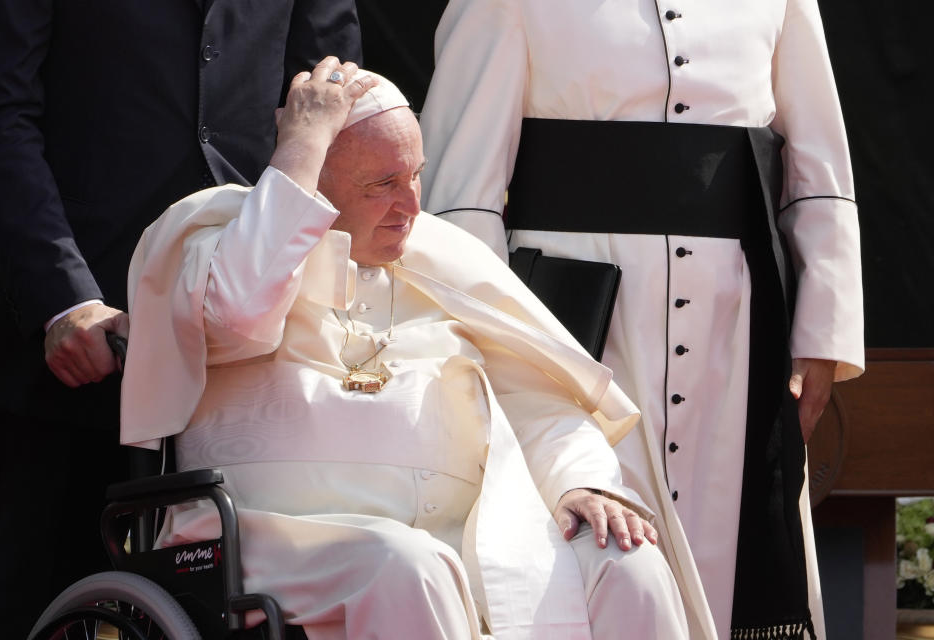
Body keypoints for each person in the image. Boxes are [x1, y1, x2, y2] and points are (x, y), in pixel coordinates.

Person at [120, 61, 693, 639]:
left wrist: (580, 483)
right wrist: (302, 143)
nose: (412, 207)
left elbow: (538, 400)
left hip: (462, 541)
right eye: (381, 185)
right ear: (312, 179)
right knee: (410, 566)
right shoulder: (221, 243)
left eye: (415, 176)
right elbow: (238, 312)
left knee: (630, 565)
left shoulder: (448, 264)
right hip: (272, 540)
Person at [417, 1, 865, 638]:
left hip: (734, 330)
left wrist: (824, 333)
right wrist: (496, 354)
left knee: (733, 561)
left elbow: (818, 165)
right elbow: (460, 190)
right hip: (569, 337)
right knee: (596, 550)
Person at [0, 3, 361, 635]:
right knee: (27, 602)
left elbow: (332, 85)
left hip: (249, 351)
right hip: (75, 344)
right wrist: (61, 297)